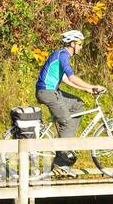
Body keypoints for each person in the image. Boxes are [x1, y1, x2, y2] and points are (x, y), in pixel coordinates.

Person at [35, 30, 105, 174]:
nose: (81, 47)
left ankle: (66, 141)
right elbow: (72, 78)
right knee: (66, 121)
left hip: (53, 91)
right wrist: (92, 86)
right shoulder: (63, 55)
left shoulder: (61, 54)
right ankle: (62, 157)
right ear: (72, 44)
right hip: (47, 92)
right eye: (79, 44)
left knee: (77, 104)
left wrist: (86, 90)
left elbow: (65, 79)